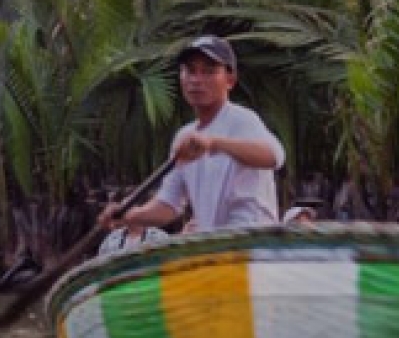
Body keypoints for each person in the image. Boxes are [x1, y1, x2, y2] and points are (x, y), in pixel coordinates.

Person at [101, 35, 286, 238]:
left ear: (230, 80)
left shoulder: (241, 120)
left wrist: (214, 143)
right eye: (189, 71)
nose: (196, 80)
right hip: (214, 248)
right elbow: (169, 204)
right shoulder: (184, 137)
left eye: (208, 71)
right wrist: (129, 215)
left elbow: (274, 156)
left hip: (252, 246)